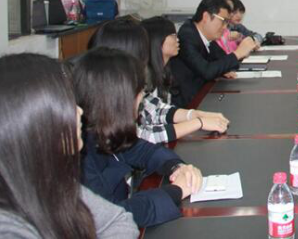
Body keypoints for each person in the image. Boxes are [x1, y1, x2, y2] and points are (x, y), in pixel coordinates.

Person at [0, 53, 138, 239]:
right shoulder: (8, 228)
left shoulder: (51, 182)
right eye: (66, 104)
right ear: (36, 124)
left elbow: (119, 220)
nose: (80, 111)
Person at [75, 47, 204, 228]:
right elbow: (114, 216)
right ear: (118, 99)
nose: (142, 97)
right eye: (138, 91)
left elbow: (146, 151)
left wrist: (177, 167)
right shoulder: (80, 154)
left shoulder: (105, 130)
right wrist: (177, 190)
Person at [129, 16, 228, 143]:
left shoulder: (166, 70)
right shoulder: (144, 78)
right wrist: (197, 122)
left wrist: (196, 115)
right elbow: (144, 132)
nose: (178, 39)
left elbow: (158, 110)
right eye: (173, 35)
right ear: (157, 40)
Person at [171, 0, 256, 106]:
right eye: (223, 21)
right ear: (206, 17)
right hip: (189, 103)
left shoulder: (207, 35)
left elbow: (222, 59)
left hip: (204, 95)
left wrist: (223, 68)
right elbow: (207, 71)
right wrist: (238, 53)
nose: (225, 27)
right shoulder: (187, 36)